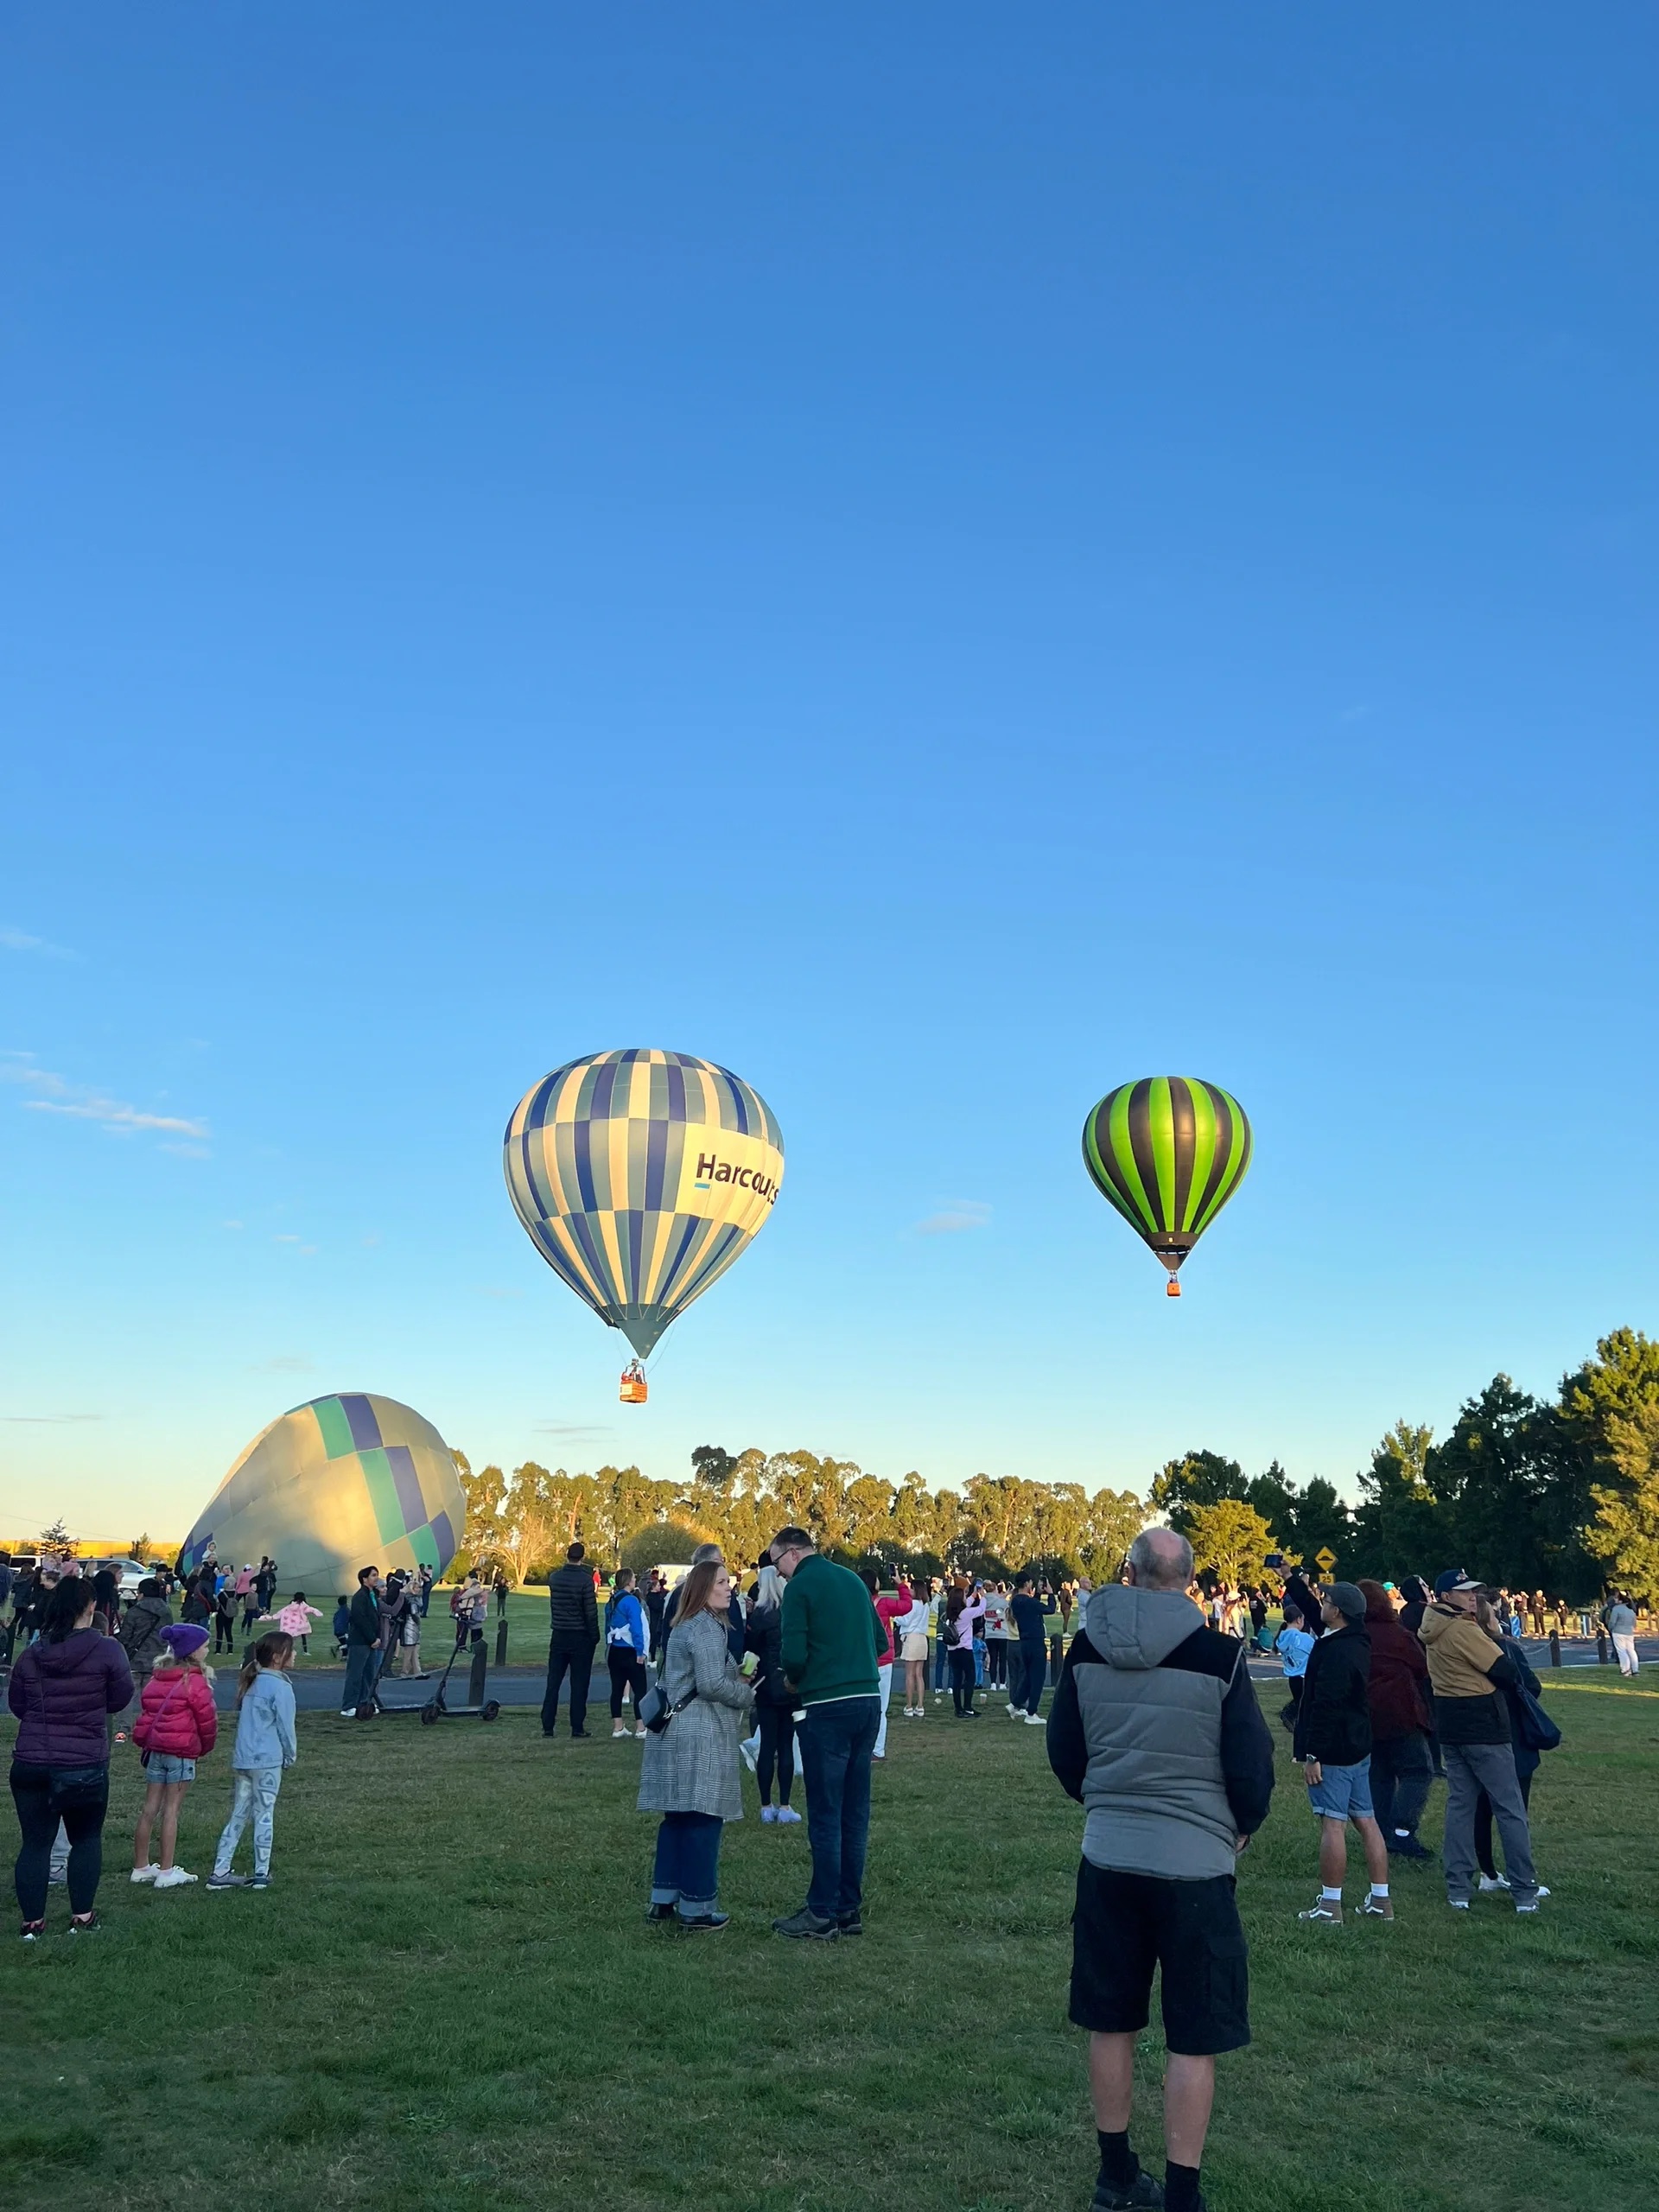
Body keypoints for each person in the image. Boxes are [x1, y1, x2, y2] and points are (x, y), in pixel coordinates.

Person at [1046, 1528, 1274, 2212]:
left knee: (1110, 2020)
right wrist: (1241, 1825)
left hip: (1110, 1855)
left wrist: (1107, 1800)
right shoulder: (1223, 1655)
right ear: (1189, 1579)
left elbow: (1066, 1751)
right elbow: (1251, 1767)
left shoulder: (1086, 1646)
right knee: (1193, 2034)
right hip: (1195, 1867)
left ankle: (1115, 2175)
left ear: (1132, 1573)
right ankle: (1182, 2192)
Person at [770, 1525, 883, 1942]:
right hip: (867, 1701)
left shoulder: (800, 1588)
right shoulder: (852, 1579)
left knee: (825, 1810)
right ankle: (848, 1907)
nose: (778, 1573)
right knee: (855, 1810)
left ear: (792, 1553)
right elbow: (880, 1641)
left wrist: (793, 1680)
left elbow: (794, 1656)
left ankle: (821, 1910)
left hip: (826, 1706)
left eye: (776, 1562)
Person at [8, 1576, 134, 1939]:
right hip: (84, 1761)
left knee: (35, 1843)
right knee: (86, 1839)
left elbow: (18, 1705)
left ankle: (32, 1923)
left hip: (32, 1761)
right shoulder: (108, 1650)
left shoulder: (32, 1653)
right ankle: (82, 1916)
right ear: (91, 1607)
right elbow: (121, 1697)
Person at [637, 1557, 754, 1930]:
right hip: (698, 1732)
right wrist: (746, 1694)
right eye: (721, 1582)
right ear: (703, 1588)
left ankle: (664, 1899)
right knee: (704, 1818)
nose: (728, 1588)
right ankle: (697, 1908)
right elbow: (709, 1685)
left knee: (676, 1818)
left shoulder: (683, 1626)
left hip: (673, 1730)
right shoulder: (705, 1628)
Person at [1419, 1570, 1541, 1912]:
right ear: (1446, 1596)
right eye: (1464, 1592)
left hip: (1451, 1723)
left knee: (1461, 1807)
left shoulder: (1431, 1627)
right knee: (1509, 1809)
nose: (1473, 1596)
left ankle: (1458, 1888)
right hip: (1484, 1724)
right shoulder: (1462, 1628)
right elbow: (1505, 1671)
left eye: (1474, 1591)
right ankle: (1524, 1890)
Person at [1292, 1584, 1393, 1923]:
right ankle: (1381, 1900)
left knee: (1332, 1826)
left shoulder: (1335, 1651)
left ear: (1337, 1612)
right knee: (1367, 1820)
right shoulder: (1356, 1639)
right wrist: (1292, 1580)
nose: (1322, 1604)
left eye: (1327, 1601)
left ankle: (1330, 1906)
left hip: (1333, 1750)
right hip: (1358, 1745)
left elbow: (1326, 1704)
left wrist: (1313, 1753)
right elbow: (1314, 1612)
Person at [1471, 1597, 1554, 1900]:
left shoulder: (1458, 1650)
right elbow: (1531, 1686)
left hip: (1476, 1734)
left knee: (1481, 1807)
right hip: (1512, 1734)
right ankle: (1523, 1877)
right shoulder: (1505, 1649)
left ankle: (1487, 1871)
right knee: (1516, 1810)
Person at [208, 1631, 298, 1890]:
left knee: (238, 1814)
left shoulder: (252, 1682)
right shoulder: (281, 1687)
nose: (294, 1656)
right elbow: (285, 1726)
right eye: (290, 1651)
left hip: (243, 1759)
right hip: (267, 1761)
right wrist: (290, 1754)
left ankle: (220, 1870)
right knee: (264, 1814)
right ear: (279, 1657)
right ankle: (261, 1872)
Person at [131, 1622, 219, 1889]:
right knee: (171, 1811)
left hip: (156, 1750)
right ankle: (167, 1871)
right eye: (204, 1646)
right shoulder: (194, 1682)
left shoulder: (158, 1678)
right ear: (192, 1651)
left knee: (150, 1809)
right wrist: (204, 1747)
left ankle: (141, 1866)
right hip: (181, 1753)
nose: (207, 1650)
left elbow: (146, 1714)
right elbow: (207, 1721)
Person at [1356, 1580, 1434, 1862]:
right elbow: (1422, 1667)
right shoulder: (1397, 1635)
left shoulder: (1355, 1636)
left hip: (1366, 1716)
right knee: (1418, 1772)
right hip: (1401, 1713)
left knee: (1379, 1775)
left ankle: (1379, 1833)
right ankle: (1402, 1830)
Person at [744, 1561, 803, 1823]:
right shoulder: (790, 1613)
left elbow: (751, 1650)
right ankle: (786, 1805)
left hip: (766, 1685)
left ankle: (766, 1805)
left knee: (767, 1745)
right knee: (786, 1745)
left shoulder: (758, 1616)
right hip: (790, 1686)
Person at [542, 1541, 600, 1738]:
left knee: (553, 1681)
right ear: (582, 1558)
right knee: (579, 1683)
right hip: (580, 1636)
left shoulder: (555, 1578)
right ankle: (577, 1726)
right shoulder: (585, 1581)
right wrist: (594, 1636)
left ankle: (548, 1725)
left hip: (559, 1633)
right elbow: (590, 1613)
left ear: (567, 1556)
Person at [865, 1567, 913, 1758]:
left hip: (865, 1658)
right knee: (881, 1707)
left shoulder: (859, 1603)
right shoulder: (883, 1604)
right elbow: (906, 1605)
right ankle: (878, 1749)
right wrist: (900, 1584)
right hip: (883, 1659)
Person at [605, 1567, 650, 1738]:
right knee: (640, 1689)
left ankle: (618, 1727)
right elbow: (637, 1628)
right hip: (630, 1650)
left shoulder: (612, 1600)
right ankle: (641, 1727)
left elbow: (607, 1626)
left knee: (617, 1689)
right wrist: (641, 1651)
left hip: (615, 1649)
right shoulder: (631, 1601)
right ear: (629, 1581)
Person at [1008, 1572, 1056, 1723]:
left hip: (1024, 1642)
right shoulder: (1029, 1602)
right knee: (1037, 1678)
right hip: (1036, 1642)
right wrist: (1050, 1594)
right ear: (1028, 1583)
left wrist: (1038, 1594)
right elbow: (1050, 1609)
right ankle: (1031, 1713)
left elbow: (1031, 1608)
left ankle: (1015, 1704)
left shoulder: (1016, 1601)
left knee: (1028, 1676)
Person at [116, 1576, 173, 1692]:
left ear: (140, 1593)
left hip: (134, 1659)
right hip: (157, 1659)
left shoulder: (134, 1612)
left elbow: (125, 1637)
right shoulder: (166, 1612)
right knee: (152, 1697)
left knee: (130, 1698)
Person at [340, 1567, 384, 1717]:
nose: (376, 1578)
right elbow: (360, 1619)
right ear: (364, 1579)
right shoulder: (360, 1597)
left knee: (368, 1675)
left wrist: (377, 1638)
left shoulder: (373, 1595)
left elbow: (375, 1619)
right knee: (355, 1674)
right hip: (360, 1642)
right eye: (373, 1575)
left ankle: (365, 1702)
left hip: (371, 1642)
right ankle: (348, 1705)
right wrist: (372, 1638)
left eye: (377, 1575)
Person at [944, 1583, 985, 1718]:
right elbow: (980, 1609)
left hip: (952, 1650)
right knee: (970, 1677)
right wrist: (982, 1596)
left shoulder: (950, 1613)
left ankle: (958, 1709)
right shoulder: (966, 1613)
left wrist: (973, 1595)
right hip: (964, 1649)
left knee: (957, 1679)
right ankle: (967, 1707)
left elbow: (966, 1604)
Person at [1274, 1605, 1315, 1732]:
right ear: (1299, 1620)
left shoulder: (1282, 1637)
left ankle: (1294, 1721)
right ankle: (1290, 1717)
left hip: (1292, 1677)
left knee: (1300, 1702)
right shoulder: (1302, 1638)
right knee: (1307, 1706)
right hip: (1304, 1676)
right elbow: (1316, 1649)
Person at [894, 1585, 931, 1718]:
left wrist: (895, 1618)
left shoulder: (913, 1604)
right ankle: (920, 1706)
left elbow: (906, 1620)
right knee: (919, 1674)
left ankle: (909, 1706)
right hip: (922, 1639)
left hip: (911, 1638)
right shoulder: (925, 1605)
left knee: (910, 1674)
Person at [263, 1591, 325, 1656]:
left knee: (290, 1638)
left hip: (291, 1625)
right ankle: (305, 1651)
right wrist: (318, 1613)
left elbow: (281, 1612)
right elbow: (310, 1609)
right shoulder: (302, 1605)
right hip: (301, 1624)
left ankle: (287, 1650)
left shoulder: (290, 1605)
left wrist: (272, 1617)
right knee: (303, 1637)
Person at [983, 1580, 1012, 1689]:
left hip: (990, 1633)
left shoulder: (984, 1602)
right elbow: (1007, 1605)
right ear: (995, 1590)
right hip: (1002, 1633)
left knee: (993, 1659)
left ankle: (993, 1684)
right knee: (1003, 1660)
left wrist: (1006, 1594)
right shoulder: (1001, 1602)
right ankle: (1003, 1683)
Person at [1605, 1592, 1639, 1676]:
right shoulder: (1631, 1610)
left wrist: (1610, 1628)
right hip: (1629, 1633)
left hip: (1618, 1632)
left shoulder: (1616, 1609)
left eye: (1617, 1598)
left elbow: (1612, 1622)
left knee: (1622, 1651)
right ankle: (1635, 1669)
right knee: (1631, 1650)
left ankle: (1625, 1669)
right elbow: (1634, 1624)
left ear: (1620, 1600)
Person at [212, 1580, 237, 1655]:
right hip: (230, 1615)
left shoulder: (222, 1594)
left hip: (221, 1614)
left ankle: (218, 1650)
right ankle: (230, 1650)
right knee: (229, 1632)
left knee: (220, 1632)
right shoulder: (235, 1594)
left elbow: (217, 1600)